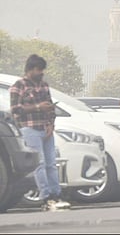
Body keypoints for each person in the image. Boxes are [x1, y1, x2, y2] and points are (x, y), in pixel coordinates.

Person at [8, 55, 70, 211]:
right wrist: (37, 108)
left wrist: (51, 124)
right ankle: (46, 197)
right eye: (38, 69)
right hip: (30, 128)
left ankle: (56, 194)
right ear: (30, 69)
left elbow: (50, 107)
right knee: (39, 164)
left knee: (51, 164)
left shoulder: (44, 85)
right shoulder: (18, 86)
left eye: (42, 69)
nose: (41, 72)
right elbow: (15, 110)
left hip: (45, 129)